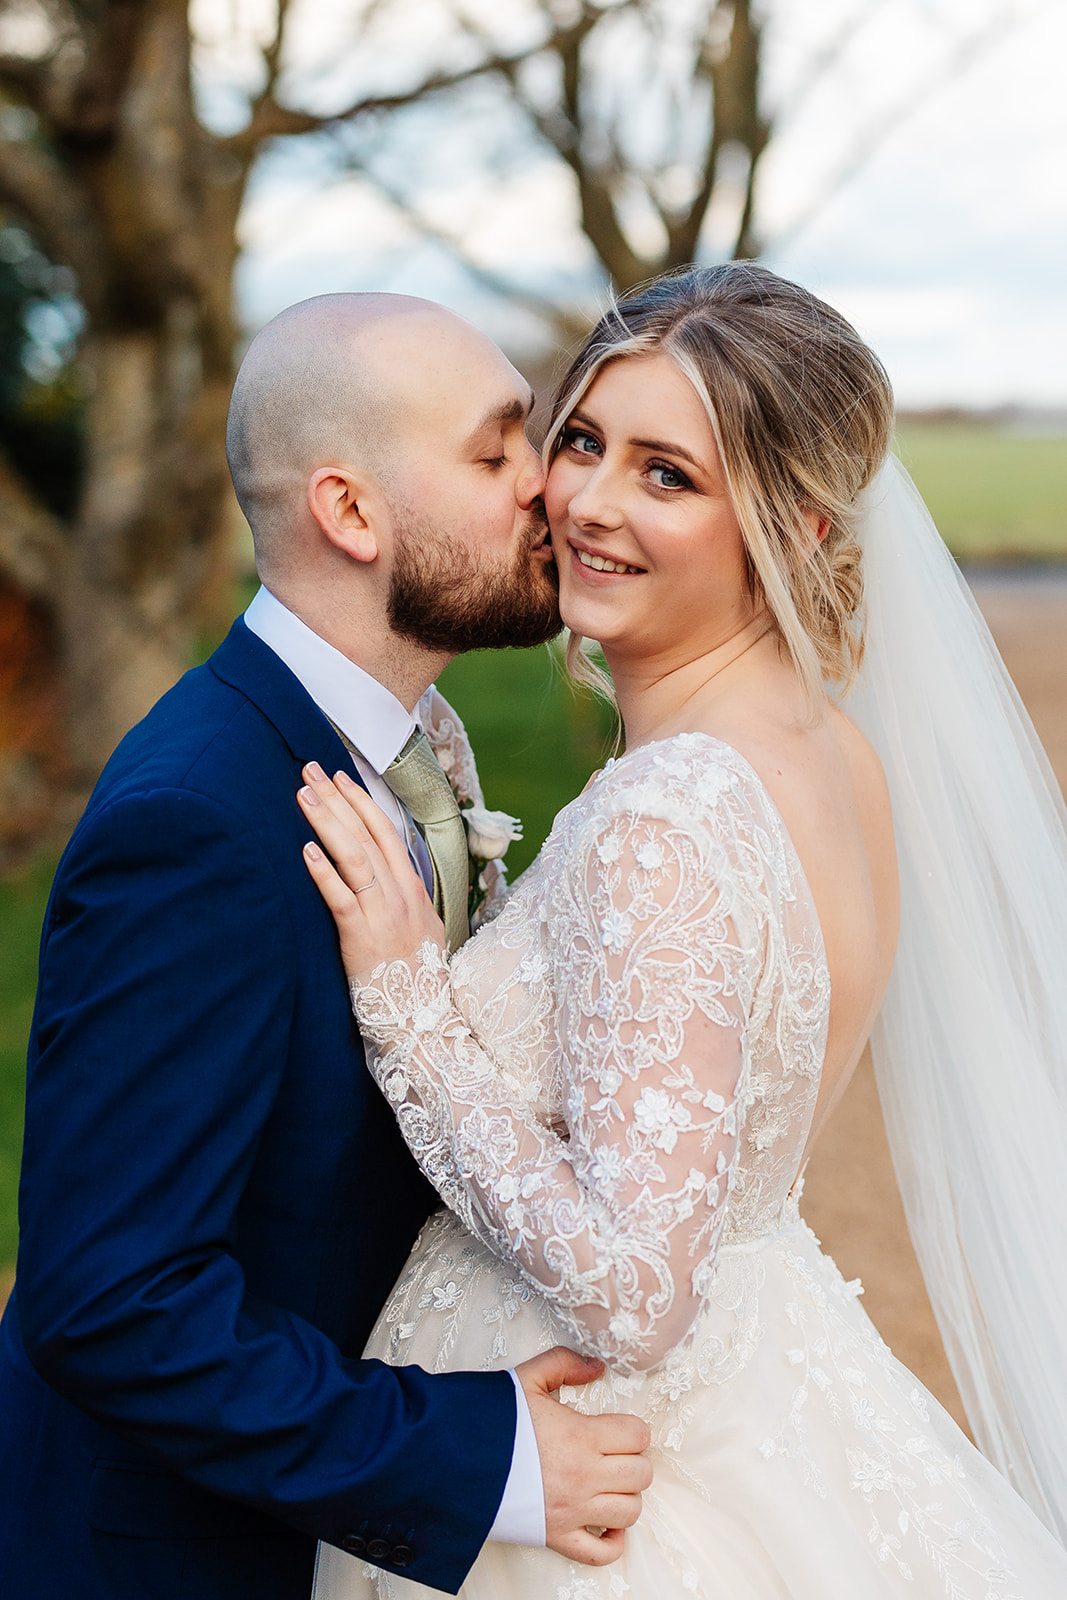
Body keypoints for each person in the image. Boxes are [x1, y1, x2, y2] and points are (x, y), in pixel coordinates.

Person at [300, 264, 1067, 1598]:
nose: (589, 501)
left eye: (669, 475)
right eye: (583, 440)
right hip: (770, 1374)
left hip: (597, 1467)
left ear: (796, 520)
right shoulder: (832, 754)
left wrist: (411, 1009)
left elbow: (641, 1292)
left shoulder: (669, 815)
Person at [0, 293, 653, 1600]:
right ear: (351, 514)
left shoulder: (407, 754)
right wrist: (485, 1456)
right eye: (496, 452)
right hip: (171, 1561)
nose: (550, 488)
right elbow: (113, 1300)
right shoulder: (201, 824)